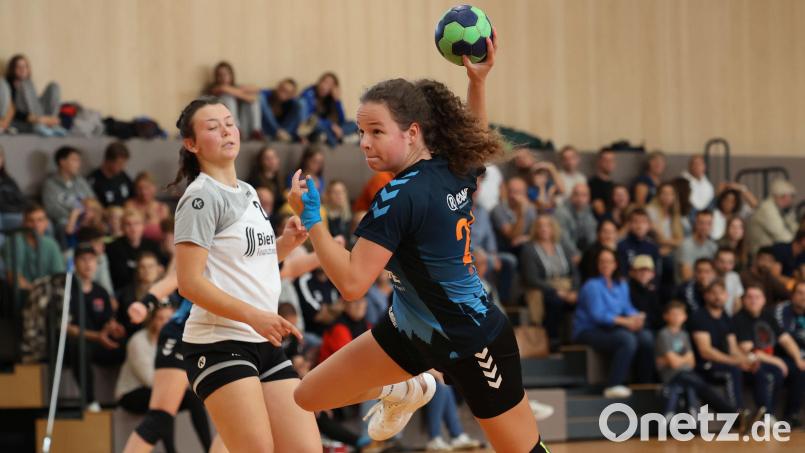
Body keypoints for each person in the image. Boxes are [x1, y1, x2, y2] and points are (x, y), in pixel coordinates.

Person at [289, 35, 547, 452]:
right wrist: (477, 83)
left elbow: (353, 284)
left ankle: (415, 383)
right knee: (308, 395)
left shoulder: (399, 197)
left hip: (472, 341)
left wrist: (312, 218)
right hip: (411, 332)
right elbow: (475, 133)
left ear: (412, 133)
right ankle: (410, 386)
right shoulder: (454, 165)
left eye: (377, 131)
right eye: (361, 132)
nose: (365, 142)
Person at [170, 96, 320, 452]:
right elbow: (189, 283)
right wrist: (253, 315)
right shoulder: (200, 198)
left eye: (229, 123)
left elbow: (253, 262)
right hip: (218, 343)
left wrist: (286, 243)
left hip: (262, 341)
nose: (226, 131)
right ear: (192, 144)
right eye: (213, 127)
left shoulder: (248, 191)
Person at [115, 304, 214, 453]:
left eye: (169, 318)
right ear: (152, 320)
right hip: (131, 393)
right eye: (160, 318)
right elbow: (149, 379)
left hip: (157, 388)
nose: (165, 322)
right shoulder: (138, 341)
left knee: (191, 399)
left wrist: (177, 383)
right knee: (165, 405)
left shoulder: (177, 340)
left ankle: (209, 448)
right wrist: (177, 383)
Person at [573, 247, 654, 398]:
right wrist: (626, 322)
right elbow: (597, 315)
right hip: (589, 330)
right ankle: (613, 385)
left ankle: (642, 385)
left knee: (646, 337)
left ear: (615, 264)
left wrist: (637, 318)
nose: (606, 265)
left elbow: (627, 307)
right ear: (597, 264)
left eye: (609, 261)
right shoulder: (591, 285)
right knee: (627, 339)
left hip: (612, 328)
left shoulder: (621, 284)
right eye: (602, 261)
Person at [688, 280, 757, 420]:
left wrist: (746, 360)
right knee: (732, 372)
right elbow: (705, 351)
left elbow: (733, 348)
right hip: (704, 366)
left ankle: (766, 414)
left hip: (724, 363)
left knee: (760, 370)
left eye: (721, 293)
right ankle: (738, 416)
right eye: (713, 293)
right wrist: (735, 362)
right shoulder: (699, 317)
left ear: (726, 296)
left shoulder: (726, 317)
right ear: (706, 296)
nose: (718, 297)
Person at [67, 245, 125, 410]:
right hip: (76, 343)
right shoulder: (67, 290)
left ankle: (126, 397)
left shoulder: (101, 291)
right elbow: (66, 328)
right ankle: (89, 401)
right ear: (75, 263)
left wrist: (114, 328)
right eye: (83, 260)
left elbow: (108, 321)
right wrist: (97, 336)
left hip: (100, 342)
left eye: (91, 260)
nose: (88, 264)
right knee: (80, 348)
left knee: (128, 345)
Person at [655, 301, 737, 419]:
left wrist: (678, 359)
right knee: (703, 387)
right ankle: (733, 415)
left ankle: (733, 415)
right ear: (666, 316)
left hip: (687, 374)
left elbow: (692, 362)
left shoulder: (684, 334)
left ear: (685, 317)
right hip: (672, 376)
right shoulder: (664, 334)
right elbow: (674, 363)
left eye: (679, 314)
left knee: (699, 384)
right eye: (673, 314)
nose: (676, 317)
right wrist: (683, 359)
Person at [520, 215, 578, 341]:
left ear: (553, 228)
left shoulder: (562, 247)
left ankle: (576, 340)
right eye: (540, 226)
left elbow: (574, 272)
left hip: (566, 286)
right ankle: (553, 340)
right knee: (555, 301)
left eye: (547, 225)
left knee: (582, 300)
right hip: (543, 288)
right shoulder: (529, 249)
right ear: (535, 229)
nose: (544, 229)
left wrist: (574, 290)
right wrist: (556, 291)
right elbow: (531, 279)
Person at [2, 204, 64, 293]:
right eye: (31, 221)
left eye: (40, 220)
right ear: (24, 223)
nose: (35, 225)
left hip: (47, 294)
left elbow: (58, 276)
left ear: (46, 223)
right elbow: (13, 277)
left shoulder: (52, 244)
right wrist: (35, 292)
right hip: (20, 294)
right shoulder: (15, 241)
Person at [41, 146, 95, 243]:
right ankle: (67, 251)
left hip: (85, 217)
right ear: (62, 162)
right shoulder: (50, 184)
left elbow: (92, 200)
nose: (78, 164)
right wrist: (73, 215)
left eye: (79, 161)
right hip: (65, 220)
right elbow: (51, 209)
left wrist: (88, 212)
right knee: (63, 224)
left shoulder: (80, 181)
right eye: (75, 160)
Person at [4, 54, 66, 136]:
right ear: (12, 69)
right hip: (23, 120)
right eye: (19, 67)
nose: (22, 69)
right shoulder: (6, 85)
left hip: (38, 114)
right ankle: (43, 124)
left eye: (25, 66)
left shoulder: (29, 83)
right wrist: (39, 119)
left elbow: (34, 103)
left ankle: (51, 123)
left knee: (54, 86)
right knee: (24, 84)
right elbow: (12, 112)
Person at [772, 281, 805, 428]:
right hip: (783, 355)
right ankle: (791, 416)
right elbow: (785, 337)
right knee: (800, 370)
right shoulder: (781, 310)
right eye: (800, 293)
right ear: (792, 295)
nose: (803, 297)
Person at [106, 209, 163, 290]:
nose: (133, 228)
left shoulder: (153, 246)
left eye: (137, 223)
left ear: (143, 226)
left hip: (151, 288)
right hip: (122, 290)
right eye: (128, 224)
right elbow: (118, 276)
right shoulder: (112, 247)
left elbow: (159, 271)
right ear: (122, 227)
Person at [299, 72, 358, 146]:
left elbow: (341, 120)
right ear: (319, 82)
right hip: (314, 126)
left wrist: (337, 101)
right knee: (319, 127)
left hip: (328, 128)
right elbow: (310, 119)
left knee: (353, 124)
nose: (325, 86)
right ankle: (338, 139)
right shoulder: (309, 94)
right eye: (325, 82)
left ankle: (334, 137)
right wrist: (330, 125)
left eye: (330, 85)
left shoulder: (330, 99)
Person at [205, 61, 261, 139]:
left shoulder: (235, 88)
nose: (223, 77)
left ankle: (256, 130)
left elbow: (256, 93)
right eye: (220, 75)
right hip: (224, 128)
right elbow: (223, 88)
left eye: (226, 74)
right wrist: (241, 93)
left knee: (254, 101)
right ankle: (235, 129)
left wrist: (239, 92)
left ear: (231, 75)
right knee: (228, 97)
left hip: (243, 127)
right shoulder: (214, 89)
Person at [747, 178, 798, 253]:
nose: (790, 200)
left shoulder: (782, 208)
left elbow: (795, 229)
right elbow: (781, 235)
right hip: (762, 253)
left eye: (791, 196)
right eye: (787, 196)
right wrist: (799, 244)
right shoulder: (767, 209)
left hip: (774, 249)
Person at [492, 176, 537, 254]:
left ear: (525, 194)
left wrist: (526, 238)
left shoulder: (531, 209)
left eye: (517, 192)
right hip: (506, 250)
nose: (512, 195)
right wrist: (521, 214)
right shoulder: (498, 209)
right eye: (510, 191)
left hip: (525, 247)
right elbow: (512, 236)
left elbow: (537, 233)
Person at [125, 172, 171, 242]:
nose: (143, 192)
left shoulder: (162, 208)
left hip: (158, 244)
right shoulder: (130, 205)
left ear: (154, 187)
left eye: (147, 187)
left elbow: (168, 233)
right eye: (139, 188)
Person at [554, 183, 597, 255]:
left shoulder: (588, 211)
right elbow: (563, 239)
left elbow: (592, 237)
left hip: (583, 253)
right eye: (576, 194)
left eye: (584, 195)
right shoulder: (561, 212)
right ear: (571, 196)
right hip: (564, 253)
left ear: (589, 198)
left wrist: (592, 254)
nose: (580, 199)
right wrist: (576, 254)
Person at [87, 141, 134, 207]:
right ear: (108, 161)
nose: (122, 167)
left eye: (124, 163)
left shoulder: (123, 175)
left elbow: (133, 195)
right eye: (119, 164)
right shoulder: (93, 180)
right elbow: (92, 206)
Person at [676, 210, 718, 282]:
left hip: (707, 284)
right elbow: (687, 277)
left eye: (709, 224)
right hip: (688, 286)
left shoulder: (713, 246)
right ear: (695, 224)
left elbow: (715, 273)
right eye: (701, 223)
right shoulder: (685, 245)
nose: (705, 227)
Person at [0, 144, 27, 246]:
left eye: (0, 156)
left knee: (44, 224)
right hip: (5, 215)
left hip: (14, 214)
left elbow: (22, 200)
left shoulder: (8, 180)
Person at [628, 255, 663, 332]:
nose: (644, 273)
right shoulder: (626, 289)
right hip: (630, 324)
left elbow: (658, 316)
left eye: (647, 271)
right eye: (640, 270)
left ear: (653, 274)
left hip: (649, 326)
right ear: (632, 273)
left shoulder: (654, 292)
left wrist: (645, 317)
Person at [246, 146, 285, 214]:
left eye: (274, 157)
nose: (272, 161)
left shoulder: (279, 179)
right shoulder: (255, 181)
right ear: (261, 162)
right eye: (267, 158)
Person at [714, 247, 744, 315]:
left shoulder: (734, 276)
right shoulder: (709, 277)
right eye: (722, 262)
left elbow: (737, 301)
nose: (726, 266)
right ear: (715, 261)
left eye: (730, 262)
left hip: (730, 317)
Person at [588, 149, 616, 218]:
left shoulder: (614, 185)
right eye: (606, 160)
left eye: (611, 160)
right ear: (599, 162)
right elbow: (600, 211)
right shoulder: (593, 184)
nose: (609, 163)